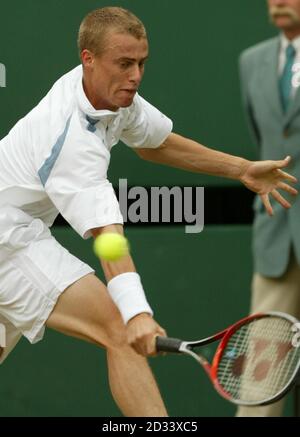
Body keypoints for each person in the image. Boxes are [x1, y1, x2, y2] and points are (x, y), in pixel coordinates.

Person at [0, 6, 297, 417]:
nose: (136, 75)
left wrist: (242, 168)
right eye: (124, 63)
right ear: (88, 59)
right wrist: (137, 313)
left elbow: (154, 142)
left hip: (18, 230)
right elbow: (107, 238)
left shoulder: (110, 94)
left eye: (141, 62)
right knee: (119, 329)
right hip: (9, 239)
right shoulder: (71, 140)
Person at [236, 0, 300, 417]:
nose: (278, 1)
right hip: (277, 236)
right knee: (261, 381)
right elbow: (262, 137)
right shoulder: (251, 61)